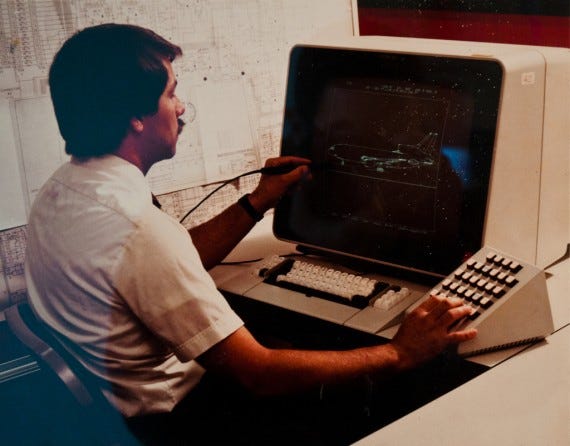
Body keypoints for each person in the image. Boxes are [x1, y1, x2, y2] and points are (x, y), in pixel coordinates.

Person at [25, 23, 477, 445]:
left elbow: (164, 264)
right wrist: (399, 352)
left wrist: (257, 201)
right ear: (135, 118)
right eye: (171, 94)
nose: (181, 108)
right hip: (185, 422)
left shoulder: (62, 191)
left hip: (126, 410)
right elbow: (257, 374)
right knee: (385, 386)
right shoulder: (137, 228)